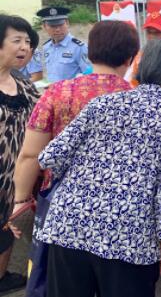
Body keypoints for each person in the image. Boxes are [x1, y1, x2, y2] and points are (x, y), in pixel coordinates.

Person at [37, 39, 161, 297]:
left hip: (68, 225)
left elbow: (49, 156)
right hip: (129, 237)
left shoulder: (101, 104)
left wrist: (85, 179)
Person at [13, 20, 139, 212]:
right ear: (130, 59)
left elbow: (31, 154)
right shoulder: (138, 100)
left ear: (91, 53)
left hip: (60, 203)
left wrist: (20, 200)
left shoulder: (58, 92)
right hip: (118, 204)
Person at [0, 15, 40, 294]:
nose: (24, 47)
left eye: (27, 41)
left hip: (15, 175)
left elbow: (43, 118)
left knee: (7, 228)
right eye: (16, 40)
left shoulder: (23, 83)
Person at [29, 6, 91, 82]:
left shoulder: (80, 47)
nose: (57, 30)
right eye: (53, 26)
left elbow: (89, 76)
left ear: (67, 23)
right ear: (44, 27)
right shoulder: (46, 47)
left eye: (60, 25)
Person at [128, 12, 161, 87]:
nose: (152, 36)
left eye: (157, 32)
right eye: (149, 32)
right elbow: (133, 81)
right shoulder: (140, 56)